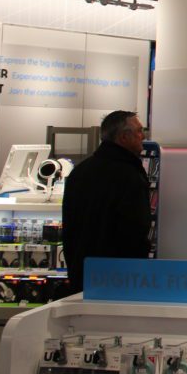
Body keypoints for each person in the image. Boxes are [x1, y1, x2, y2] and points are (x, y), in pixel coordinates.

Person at [62, 110, 150, 293]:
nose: (143, 136)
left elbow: (70, 229)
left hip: (82, 275)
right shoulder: (130, 176)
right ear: (124, 137)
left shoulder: (80, 172)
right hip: (120, 279)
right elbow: (134, 231)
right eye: (139, 131)